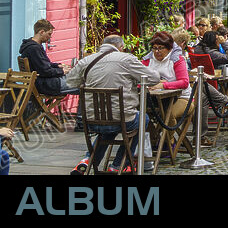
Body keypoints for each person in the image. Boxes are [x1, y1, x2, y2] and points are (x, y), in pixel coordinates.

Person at [66, 35, 154, 173]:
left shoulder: (87, 60)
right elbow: (153, 78)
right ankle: (118, 165)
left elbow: (70, 82)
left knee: (107, 126)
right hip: (122, 120)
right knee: (143, 118)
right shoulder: (127, 59)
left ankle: (88, 160)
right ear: (121, 47)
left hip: (91, 121)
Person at [140, 31, 194, 137]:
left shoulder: (177, 59)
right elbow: (139, 80)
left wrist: (164, 85)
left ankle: (168, 142)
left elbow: (184, 82)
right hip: (155, 99)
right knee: (140, 113)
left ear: (169, 48)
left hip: (182, 98)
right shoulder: (147, 60)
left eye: (161, 48)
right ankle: (153, 139)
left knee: (168, 114)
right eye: (154, 48)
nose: (157, 51)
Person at [19, 19, 75, 96]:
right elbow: (45, 71)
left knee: (79, 80)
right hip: (45, 85)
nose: (50, 37)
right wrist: (62, 71)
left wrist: (58, 65)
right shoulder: (34, 49)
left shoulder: (30, 46)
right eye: (49, 34)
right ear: (42, 32)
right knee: (83, 83)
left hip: (40, 83)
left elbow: (43, 65)